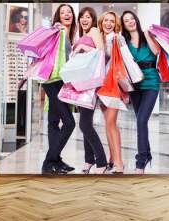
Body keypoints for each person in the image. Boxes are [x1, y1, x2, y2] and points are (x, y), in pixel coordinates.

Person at [120, 11, 161, 174]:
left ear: (136, 20)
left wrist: (148, 35)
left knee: (141, 120)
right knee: (140, 120)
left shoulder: (147, 35)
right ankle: (147, 154)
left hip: (151, 81)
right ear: (123, 25)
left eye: (131, 19)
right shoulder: (124, 42)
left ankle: (141, 160)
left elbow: (157, 52)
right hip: (134, 84)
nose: (130, 22)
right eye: (126, 20)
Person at [41, 4, 77, 174]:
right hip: (52, 80)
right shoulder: (57, 30)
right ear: (58, 16)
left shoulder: (72, 34)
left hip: (62, 81)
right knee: (69, 123)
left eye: (69, 12)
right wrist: (55, 28)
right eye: (62, 12)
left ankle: (56, 160)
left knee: (54, 122)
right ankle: (49, 161)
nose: (66, 14)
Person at [73, 7, 107, 174]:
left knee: (84, 124)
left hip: (91, 84)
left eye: (88, 17)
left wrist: (83, 49)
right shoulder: (81, 36)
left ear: (93, 20)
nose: (84, 19)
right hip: (81, 83)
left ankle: (101, 161)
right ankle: (88, 160)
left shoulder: (94, 31)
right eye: (82, 17)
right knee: (86, 123)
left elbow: (101, 52)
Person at [97, 11, 124, 174]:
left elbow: (125, 60)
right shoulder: (99, 38)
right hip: (101, 87)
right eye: (106, 20)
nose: (108, 24)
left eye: (112, 22)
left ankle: (119, 163)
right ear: (101, 22)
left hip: (114, 85)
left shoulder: (117, 38)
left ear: (115, 24)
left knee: (111, 123)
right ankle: (112, 158)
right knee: (108, 124)